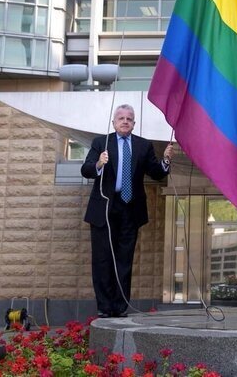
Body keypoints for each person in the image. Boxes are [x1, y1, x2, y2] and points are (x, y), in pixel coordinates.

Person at [81, 104, 173, 318]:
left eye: (129, 118)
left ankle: (120, 307)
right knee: (103, 260)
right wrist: (99, 163)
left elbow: (156, 172)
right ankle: (104, 307)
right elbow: (86, 170)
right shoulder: (101, 143)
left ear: (134, 123)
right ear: (114, 122)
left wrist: (166, 160)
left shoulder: (143, 145)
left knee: (124, 260)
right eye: (121, 118)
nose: (125, 121)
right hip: (104, 208)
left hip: (130, 209)